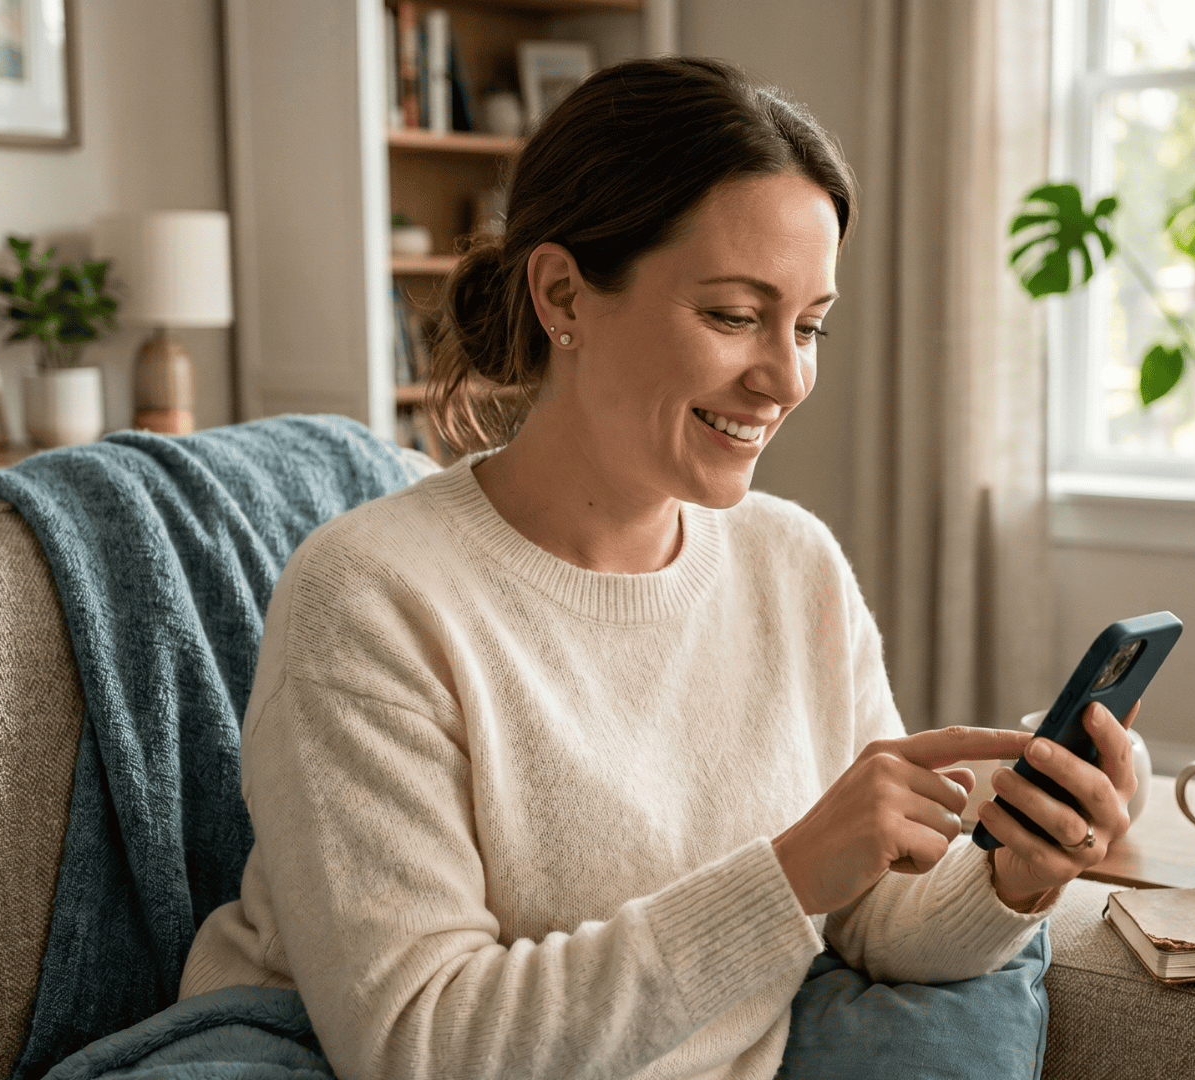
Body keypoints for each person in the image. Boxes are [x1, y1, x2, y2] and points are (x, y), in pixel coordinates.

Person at [179, 56, 1139, 1080]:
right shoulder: (370, 598)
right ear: (563, 295)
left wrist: (1015, 877)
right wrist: (786, 875)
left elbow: (874, 921)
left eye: (809, 325)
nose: (786, 377)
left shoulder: (792, 563)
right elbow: (424, 1042)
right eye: (734, 315)